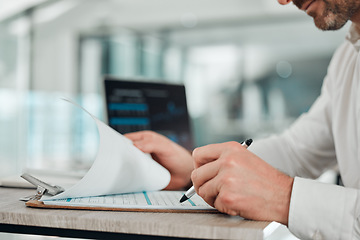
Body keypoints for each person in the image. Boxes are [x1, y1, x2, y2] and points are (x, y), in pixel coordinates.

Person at [125, 0, 360, 239]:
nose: (282, 1)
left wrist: (282, 197)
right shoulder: (348, 56)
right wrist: (197, 171)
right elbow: (295, 151)